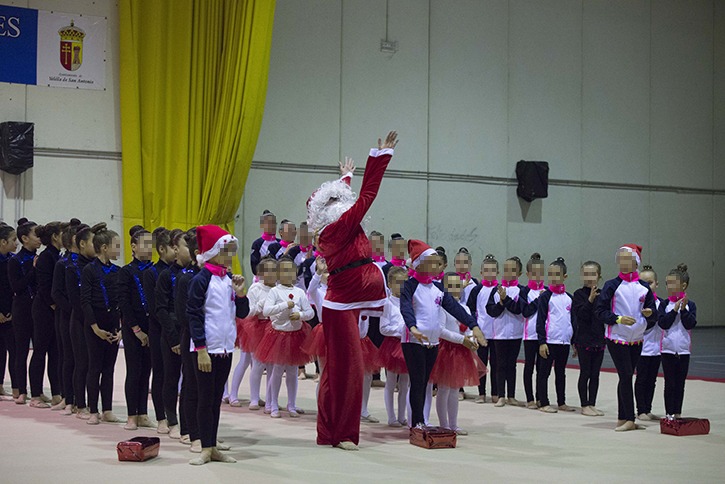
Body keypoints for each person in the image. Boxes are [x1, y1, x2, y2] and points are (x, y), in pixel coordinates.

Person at [307, 131, 397, 450]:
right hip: (341, 305)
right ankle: (340, 433)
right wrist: (380, 156)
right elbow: (367, 196)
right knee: (348, 370)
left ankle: (332, 432)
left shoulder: (337, 222)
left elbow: (346, 200)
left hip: (353, 299)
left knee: (340, 370)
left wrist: (345, 178)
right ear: (324, 211)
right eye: (335, 199)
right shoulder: (338, 227)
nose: (343, 200)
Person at [187, 225, 248, 466]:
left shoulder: (228, 280)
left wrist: (241, 293)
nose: (231, 255)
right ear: (212, 251)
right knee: (204, 399)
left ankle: (213, 446)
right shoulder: (201, 280)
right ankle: (204, 447)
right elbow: (193, 314)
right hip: (206, 349)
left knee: (215, 399)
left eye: (233, 251)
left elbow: (243, 313)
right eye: (227, 250)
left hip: (225, 349)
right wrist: (201, 349)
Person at [596, 244, 657, 432]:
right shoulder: (612, 285)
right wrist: (618, 319)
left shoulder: (644, 288)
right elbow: (600, 311)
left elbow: (653, 315)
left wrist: (649, 315)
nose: (622, 263)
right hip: (616, 337)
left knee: (626, 376)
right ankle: (630, 418)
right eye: (620, 259)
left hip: (637, 338)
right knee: (625, 375)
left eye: (627, 259)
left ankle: (622, 417)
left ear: (635, 262)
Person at [81, 223, 122, 425]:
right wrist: (95, 327)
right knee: (94, 367)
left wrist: (121, 330)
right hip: (95, 326)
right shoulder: (89, 270)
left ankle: (107, 409)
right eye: (117, 245)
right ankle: (93, 410)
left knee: (109, 369)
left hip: (113, 326)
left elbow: (121, 302)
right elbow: (86, 301)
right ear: (104, 247)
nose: (119, 250)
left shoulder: (117, 271)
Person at [118, 226, 155, 431]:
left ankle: (143, 413)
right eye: (145, 245)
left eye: (152, 245)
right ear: (133, 246)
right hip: (134, 329)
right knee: (134, 371)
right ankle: (132, 415)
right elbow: (124, 303)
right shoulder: (126, 272)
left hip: (152, 328)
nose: (149, 249)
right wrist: (136, 329)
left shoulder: (154, 271)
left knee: (146, 372)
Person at [29, 222, 64, 409]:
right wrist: (54, 306)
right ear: (55, 237)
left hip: (54, 310)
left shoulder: (58, 256)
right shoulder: (45, 258)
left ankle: (56, 393)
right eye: (62, 234)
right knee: (40, 352)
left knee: (56, 353)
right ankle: (35, 394)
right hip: (43, 310)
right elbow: (43, 287)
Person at [536, 258, 576, 413]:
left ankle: (561, 402)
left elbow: (572, 321)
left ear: (564, 277)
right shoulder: (545, 297)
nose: (553, 277)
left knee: (561, 372)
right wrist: (542, 342)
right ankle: (544, 402)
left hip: (564, 342)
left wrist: (573, 342)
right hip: (549, 341)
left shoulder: (569, 298)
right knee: (544, 372)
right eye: (550, 274)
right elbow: (541, 320)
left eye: (557, 274)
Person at [8, 218, 40, 405]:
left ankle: (37, 391)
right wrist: (33, 271)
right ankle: (22, 390)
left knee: (38, 351)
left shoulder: (40, 258)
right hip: (20, 309)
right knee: (21, 351)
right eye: (36, 235)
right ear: (24, 238)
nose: (39, 239)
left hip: (38, 310)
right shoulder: (15, 260)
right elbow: (17, 287)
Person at [659, 264, 697, 418]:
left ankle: (677, 413)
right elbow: (663, 323)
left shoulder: (691, 306)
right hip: (667, 350)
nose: (670, 287)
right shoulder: (664, 305)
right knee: (669, 383)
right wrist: (674, 310)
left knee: (680, 384)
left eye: (674, 284)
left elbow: (690, 324)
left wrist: (683, 309)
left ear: (683, 285)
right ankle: (669, 413)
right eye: (668, 284)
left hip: (683, 351)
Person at [572, 261, 606, 417]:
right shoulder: (578, 294)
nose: (588, 277)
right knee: (585, 372)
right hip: (584, 339)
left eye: (592, 274)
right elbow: (582, 315)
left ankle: (592, 403)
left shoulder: (603, 294)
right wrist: (590, 299)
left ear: (599, 277)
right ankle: (584, 404)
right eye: (585, 274)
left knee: (595, 374)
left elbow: (605, 315)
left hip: (599, 338)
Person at [0, 224, 19, 400]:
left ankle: (16, 387)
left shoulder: (13, 260)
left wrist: (12, 311)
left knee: (14, 350)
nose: (16, 243)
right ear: (3, 241)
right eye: (13, 240)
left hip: (11, 311)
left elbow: (15, 288)